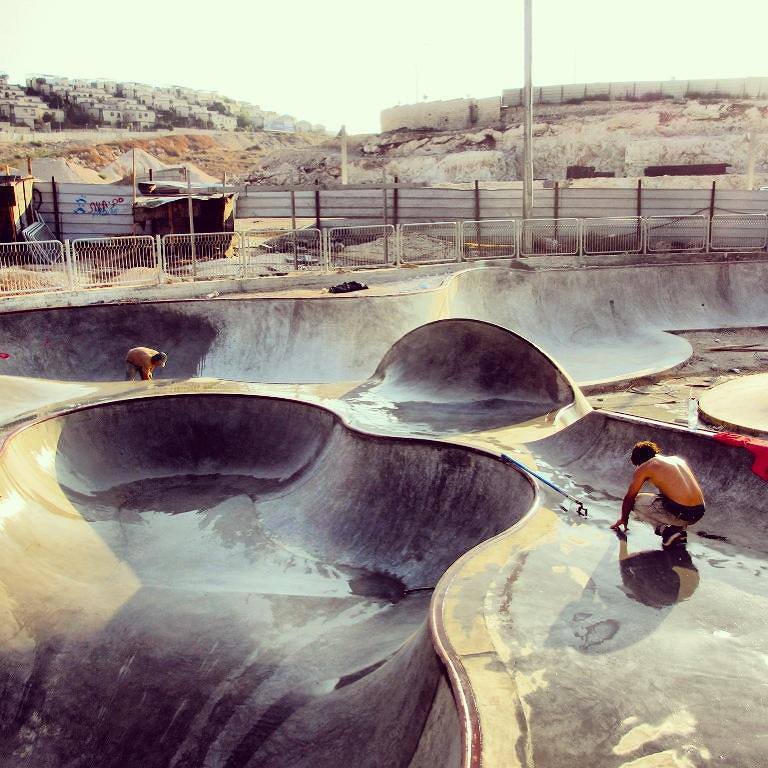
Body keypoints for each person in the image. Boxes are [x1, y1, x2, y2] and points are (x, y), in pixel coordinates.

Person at [611, 440, 705, 548]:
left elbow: (629, 498)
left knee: (636, 501)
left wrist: (624, 518)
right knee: (667, 499)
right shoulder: (676, 460)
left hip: (682, 512)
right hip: (699, 512)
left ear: (639, 462)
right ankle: (678, 531)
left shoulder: (646, 466)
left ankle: (667, 532)